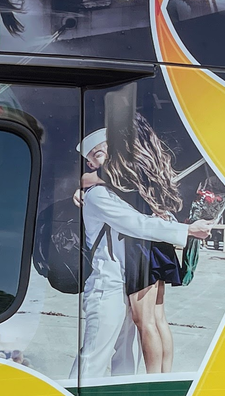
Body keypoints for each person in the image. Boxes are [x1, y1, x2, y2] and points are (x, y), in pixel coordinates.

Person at [72, 128, 214, 378]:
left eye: (109, 150)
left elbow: (152, 215)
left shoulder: (124, 190)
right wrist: (187, 230)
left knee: (128, 357)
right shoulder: (98, 195)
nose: (109, 156)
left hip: (129, 280)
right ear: (91, 163)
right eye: (99, 154)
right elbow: (137, 224)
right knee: (95, 356)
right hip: (108, 285)